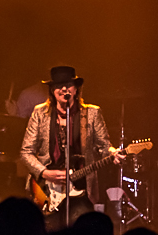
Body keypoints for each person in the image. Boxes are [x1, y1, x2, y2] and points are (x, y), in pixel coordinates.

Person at [19, 66, 123, 222]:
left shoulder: (92, 114)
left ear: (76, 89)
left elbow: (104, 145)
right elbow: (26, 151)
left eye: (68, 85)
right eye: (58, 85)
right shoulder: (40, 113)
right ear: (52, 90)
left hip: (81, 186)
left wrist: (112, 152)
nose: (63, 89)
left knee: (79, 233)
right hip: (46, 188)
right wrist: (44, 173)